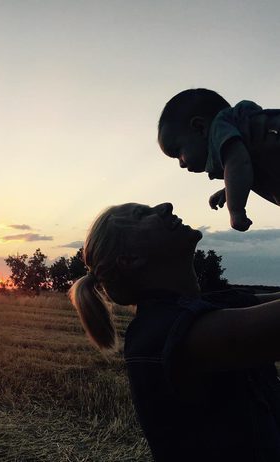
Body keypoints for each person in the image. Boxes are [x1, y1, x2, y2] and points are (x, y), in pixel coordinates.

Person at [69, 202, 280, 462]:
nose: (166, 205)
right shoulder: (164, 333)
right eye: (141, 214)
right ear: (130, 259)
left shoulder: (212, 307)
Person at [158, 88, 280, 231]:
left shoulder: (220, 127)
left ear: (200, 128)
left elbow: (238, 162)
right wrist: (230, 189)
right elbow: (243, 170)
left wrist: (236, 210)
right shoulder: (244, 144)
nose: (181, 164)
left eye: (178, 152)